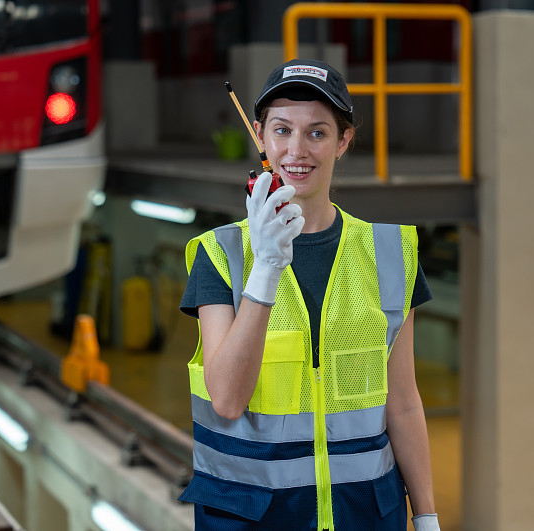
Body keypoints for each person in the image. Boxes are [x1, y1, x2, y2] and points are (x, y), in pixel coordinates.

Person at [179, 58, 440, 531]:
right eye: (282, 130)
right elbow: (227, 400)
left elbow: (401, 402)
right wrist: (265, 271)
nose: (296, 150)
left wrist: (425, 515)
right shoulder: (221, 255)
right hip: (255, 519)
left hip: (364, 517)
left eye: (317, 133)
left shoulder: (390, 253)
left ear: (343, 142)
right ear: (260, 136)